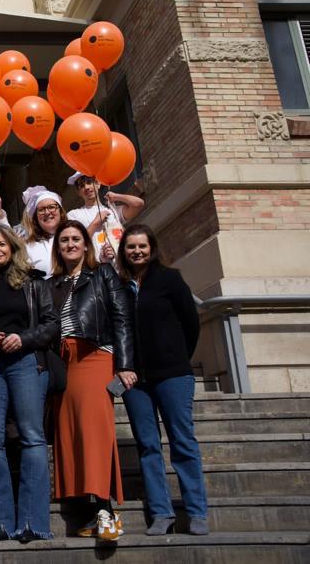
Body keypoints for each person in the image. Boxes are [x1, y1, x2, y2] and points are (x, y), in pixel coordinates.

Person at [117, 224, 209, 536]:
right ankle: (161, 513)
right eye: (131, 247)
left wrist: (177, 357)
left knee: (182, 443)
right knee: (148, 446)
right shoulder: (119, 286)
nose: (137, 252)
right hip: (135, 381)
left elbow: (190, 323)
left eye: (142, 246)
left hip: (173, 375)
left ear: (152, 248)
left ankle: (196, 512)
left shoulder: (170, 279)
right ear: (123, 251)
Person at [0, 226, 58, 543]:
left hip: (26, 362)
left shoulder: (34, 281)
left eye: (1, 243)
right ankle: (0, 523)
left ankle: (33, 522)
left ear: (13, 246)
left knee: (32, 438)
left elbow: (51, 326)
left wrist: (24, 338)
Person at [49, 219, 136, 542]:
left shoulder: (102, 274)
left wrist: (125, 364)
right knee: (71, 435)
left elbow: (122, 319)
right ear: (57, 247)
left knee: (93, 432)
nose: (70, 244)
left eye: (76, 239)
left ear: (86, 244)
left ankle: (107, 510)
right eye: (64, 240)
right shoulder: (53, 284)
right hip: (64, 363)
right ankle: (88, 510)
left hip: (95, 356)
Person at [66, 172, 145, 264]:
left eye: (89, 182)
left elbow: (138, 204)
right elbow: (75, 242)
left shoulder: (112, 210)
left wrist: (116, 197)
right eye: (82, 186)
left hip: (124, 266)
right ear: (79, 192)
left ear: (98, 184)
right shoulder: (74, 215)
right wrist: (96, 222)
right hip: (100, 270)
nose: (86, 187)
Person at [19, 186, 64, 278]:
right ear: (36, 217)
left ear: (61, 211)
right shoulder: (27, 246)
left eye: (51, 207)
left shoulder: (73, 237)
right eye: (41, 210)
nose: (47, 212)